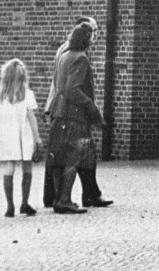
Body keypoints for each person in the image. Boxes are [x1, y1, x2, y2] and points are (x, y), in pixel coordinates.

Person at [43, 16, 111, 209]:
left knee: (58, 158)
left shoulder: (64, 55)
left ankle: (58, 199)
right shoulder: (81, 57)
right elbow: (72, 89)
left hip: (59, 112)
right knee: (73, 159)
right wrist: (91, 107)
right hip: (74, 116)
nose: (94, 38)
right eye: (92, 35)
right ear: (86, 39)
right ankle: (64, 200)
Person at [0, 58, 44, 217]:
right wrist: (37, 137)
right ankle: (24, 203)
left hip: (7, 136)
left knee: (9, 167)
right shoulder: (27, 95)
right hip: (24, 135)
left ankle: (10, 206)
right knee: (27, 166)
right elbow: (32, 117)